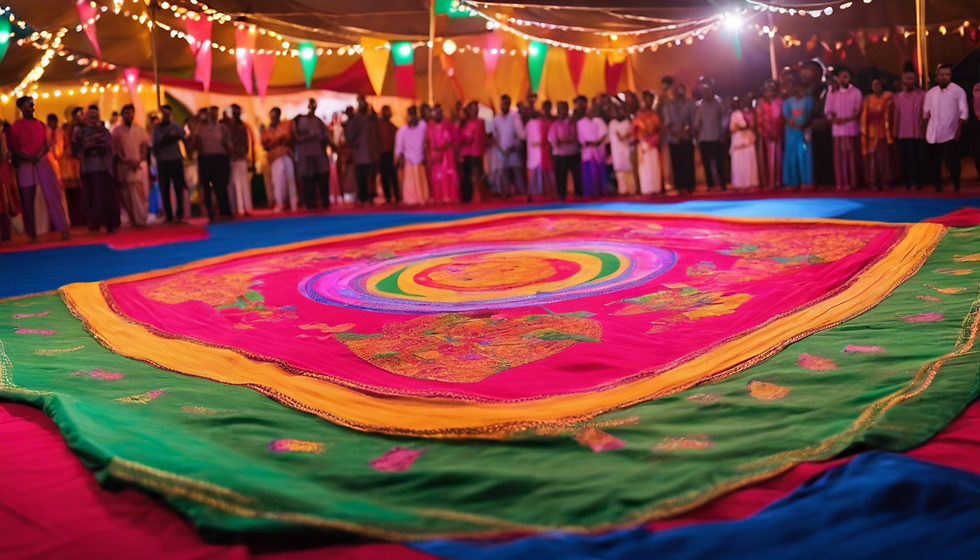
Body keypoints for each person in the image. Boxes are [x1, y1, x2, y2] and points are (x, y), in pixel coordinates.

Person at [6, 97, 70, 241]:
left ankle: (63, 229)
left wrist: (40, 155)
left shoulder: (41, 125)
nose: (29, 108)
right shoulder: (14, 127)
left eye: (31, 105)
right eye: (26, 106)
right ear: (21, 108)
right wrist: (29, 158)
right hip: (25, 166)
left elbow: (47, 145)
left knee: (53, 196)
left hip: (42, 162)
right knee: (27, 201)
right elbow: (13, 149)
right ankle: (32, 234)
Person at [72, 105, 119, 233]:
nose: (93, 118)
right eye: (91, 116)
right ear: (87, 116)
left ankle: (109, 223)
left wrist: (103, 152)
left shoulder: (104, 130)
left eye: (96, 116)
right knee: (91, 196)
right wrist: (84, 152)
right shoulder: (79, 130)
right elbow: (75, 148)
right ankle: (94, 222)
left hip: (104, 167)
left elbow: (111, 149)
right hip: (88, 168)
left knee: (106, 196)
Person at [923, 63, 968, 193]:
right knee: (935, 161)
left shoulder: (958, 91)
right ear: (937, 76)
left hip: (950, 131)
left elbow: (963, 113)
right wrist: (924, 128)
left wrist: (958, 130)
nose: (944, 77)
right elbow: (926, 113)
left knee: (952, 161)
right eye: (942, 74)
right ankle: (937, 185)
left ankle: (956, 184)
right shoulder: (931, 93)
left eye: (947, 75)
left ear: (950, 76)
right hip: (933, 132)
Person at [824, 66, 863, 190]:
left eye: (847, 76)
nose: (845, 79)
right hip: (837, 130)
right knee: (839, 156)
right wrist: (834, 119)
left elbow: (858, 110)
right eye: (843, 76)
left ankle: (853, 183)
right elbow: (828, 110)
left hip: (851, 128)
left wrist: (846, 119)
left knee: (851, 156)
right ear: (838, 78)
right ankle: (840, 182)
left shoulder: (856, 92)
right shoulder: (832, 92)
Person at [111, 104, 149, 227]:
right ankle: (133, 219)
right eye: (127, 113)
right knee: (126, 194)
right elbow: (115, 149)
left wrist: (139, 161)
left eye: (131, 112)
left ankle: (141, 218)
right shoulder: (117, 131)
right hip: (123, 166)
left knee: (138, 192)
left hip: (137, 165)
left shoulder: (139, 130)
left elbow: (144, 146)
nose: (130, 115)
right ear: (123, 115)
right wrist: (125, 161)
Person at [193, 106, 233, 221]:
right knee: (206, 186)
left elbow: (228, 144)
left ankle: (225, 211)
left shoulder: (221, 127)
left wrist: (228, 159)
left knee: (220, 185)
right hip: (204, 158)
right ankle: (210, 212)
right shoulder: (198, 128)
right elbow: (195, 146)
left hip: (220, 159)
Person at [293, 99, 333, 210]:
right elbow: (297, 138)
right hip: (305, 155)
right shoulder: (299, 120)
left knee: (322, 178)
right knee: (307, 180)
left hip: (319, 154)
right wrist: (312, 136)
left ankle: (325, 202)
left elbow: (326, 137)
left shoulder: (319, 121)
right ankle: (310, 203)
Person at [152, 105, 189, 223]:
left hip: (175, 160)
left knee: (178, 186)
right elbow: (156, 143)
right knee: (164, 188)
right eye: (164, 113)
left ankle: (180, 212)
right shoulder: (157, 128)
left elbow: (183, 135)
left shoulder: (175, 126)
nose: (166, 115)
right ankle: (168, 214)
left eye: (168, 113)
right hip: (163, 161)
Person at [894, 67, 927, 191]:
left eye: (911, 78)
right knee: (903, 160)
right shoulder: (898, 97)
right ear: (902, 80)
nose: (909, 81)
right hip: (901, 133)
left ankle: (917, 183)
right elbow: (895, 115)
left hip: (916, 133)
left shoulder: (922, 95)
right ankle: (907, 183)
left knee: (915, 159)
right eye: (906, 78)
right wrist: (894, 130)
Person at [261, 107, 298, 211]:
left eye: (275, 115)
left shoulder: (286, 125)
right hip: (275, 158)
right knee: (277, 181)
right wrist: (277, 140)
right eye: (272, 115)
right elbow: (266, 144)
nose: (273, 118)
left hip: (286, 155)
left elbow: (288, 138)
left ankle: (293, 201)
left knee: (290, 179)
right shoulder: (267, 130)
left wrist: (277, 140)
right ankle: (279, 202)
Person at [860, 78, 895, 191]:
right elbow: (864, 117)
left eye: (878, 84)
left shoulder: (889, 97)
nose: (876, 87)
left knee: (884, 157)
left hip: (885, 130)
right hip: (871, 131)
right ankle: (872, 181)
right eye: (874, 85)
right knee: (872, 158)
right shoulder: (868, 99)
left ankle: (886, 181)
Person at [694, 78, 727, 191]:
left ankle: (723, 183)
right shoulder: (699, 105)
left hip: (716, 137)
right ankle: (710, 185)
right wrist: (695, 136)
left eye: (708, 90)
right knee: (706, 163)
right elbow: (696, 123)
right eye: (704, 90)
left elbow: (724, 119)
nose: (706, 93)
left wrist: (723, 133)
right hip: (704, 139)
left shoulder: (718, 102)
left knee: (719, 162)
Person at [663, 83, 696, 194]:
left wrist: (685, 131)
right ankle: (680, 186)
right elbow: (667, 123)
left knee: (688, 162)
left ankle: (690, 186)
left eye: (683, 90)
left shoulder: (690, 103)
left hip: (686, 137)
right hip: (674, 139)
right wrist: (675, 134)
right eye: (678, 91)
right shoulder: (668, 105)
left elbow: (693, 120)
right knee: (677, 164)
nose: (680, 93)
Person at [491, 94, 526, 197]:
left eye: (506, 103)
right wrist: (501, 149)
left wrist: (515, 146)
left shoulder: (515, 116)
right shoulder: (496, 119)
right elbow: (495, 136)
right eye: (502, 103)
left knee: (517, 173)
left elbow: (521, 134)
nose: (504, 105)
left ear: (509, 104)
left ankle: (521, 196)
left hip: (514, 150)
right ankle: (506, 195)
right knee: (504, 174)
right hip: (501, 151)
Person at [783, 81, 815, 190]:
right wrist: (795, 124)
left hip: (804, 130)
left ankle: (807, 181)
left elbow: (810, 114)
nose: (798, 91)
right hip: (792, 132)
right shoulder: (787, 102)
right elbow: (787, 117)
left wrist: (804, 124)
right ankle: (792, 183)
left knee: (805, 156)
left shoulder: (808, 101)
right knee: (792, 157)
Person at [547, 100, 582, 201]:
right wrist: (560, 142)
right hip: (560, 154)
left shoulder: (574, 122)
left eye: (563, 107)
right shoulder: (555, 124)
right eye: (559, 108)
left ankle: (578, 194)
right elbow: (552, 139)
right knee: (561, 176)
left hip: (573, 152)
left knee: (577, 175)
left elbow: (577, 135)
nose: (561, 110)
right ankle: (561, 195)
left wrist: (567, 139)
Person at [395, 106, 430, 205]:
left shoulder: (423, 126)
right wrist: (400, 156)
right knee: (410, 182)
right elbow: (399, 146)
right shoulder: (402, 130)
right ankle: (410, 198)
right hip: (409, 159)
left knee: (420, 180)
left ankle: (422, 197)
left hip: (420, 158)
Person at [424, 105, 459, 204]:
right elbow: (427, 140)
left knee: (448, 175)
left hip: (446, 155)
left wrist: (442, 147)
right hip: (434, 155)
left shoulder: (447, 123)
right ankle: (438, 197)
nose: (437, 115)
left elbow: (451, 138)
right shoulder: (430, 125)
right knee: (436, 176)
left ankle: (450, 196)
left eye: (439, 112)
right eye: (435, 113)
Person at [345, 96, 374, 205]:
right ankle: (364, 197)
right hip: (362, 152)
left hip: (363, 152)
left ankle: (365, 197)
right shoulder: (360, 119)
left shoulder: (364, 118)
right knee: (362, 176)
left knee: (364, 176)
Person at [633, 90, 663, 195]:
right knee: (645, 167)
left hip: (654, 143)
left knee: (654, 166)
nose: (647, 101)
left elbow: (659, 129)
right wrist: (642, 138)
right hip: (643, 144)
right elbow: (635, 130)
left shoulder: (656, 114)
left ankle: (656, 188)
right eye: (645, 98)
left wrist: (655, 139)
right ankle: (646, 189)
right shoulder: (638, 115)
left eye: (650, 99)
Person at [225, 104, 254, 216]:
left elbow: (246, 145)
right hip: (233, 159)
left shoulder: (243, 127)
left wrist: (241, 153)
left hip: (241, 159)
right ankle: (237, 207)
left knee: (243, 183)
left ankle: (245, 207)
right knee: (234, 183)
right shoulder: (229, 127)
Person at [756, 79, 784, 190]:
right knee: (767, 158)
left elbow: (781, 118)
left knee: (778, 157)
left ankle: (778, 181)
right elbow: (759, 119)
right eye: (767, 90)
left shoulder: (779, 102)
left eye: (771, 90)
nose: (769, 93)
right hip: (766, 135)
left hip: (777, 134)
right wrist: (766, 132)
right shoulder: (761, 103)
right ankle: (768, 182)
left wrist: (777, 131)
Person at [59, 106, 85, 225]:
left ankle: (82, 218)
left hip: (81, 161)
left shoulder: (84, 126)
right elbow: (69, 145)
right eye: (78, 115)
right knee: (75, 193)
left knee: (81, 192)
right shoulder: (70, 127)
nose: (80, 117)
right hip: (72, 163)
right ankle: (77, 219)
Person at [458, 101, 488, 203]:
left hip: (477, 152)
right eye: (472, 108)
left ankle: (479, 196)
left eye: (476, 108)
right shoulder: (464, 122)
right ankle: (468, 197)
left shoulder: (481, 122)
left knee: (478, 174)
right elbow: (459, 137)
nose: (474, 110)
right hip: (466, 152)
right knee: (467, 175)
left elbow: (483, 136)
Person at [577, 102, 608, 197]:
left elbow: (604, 133)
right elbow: (580, 136)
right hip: (587, 151)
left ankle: (601, 191)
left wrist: (597, 142)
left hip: (598, 151)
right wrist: (588, 143)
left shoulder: (598, 121)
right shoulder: (580, 123)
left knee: (599, 172)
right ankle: (588, 192)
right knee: (588, 173)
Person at [729, 97, 759, 190]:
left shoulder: (749, 113)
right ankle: (739, 184)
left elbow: (751, 125)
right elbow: (732, 128)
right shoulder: (734, 114)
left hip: (747, 140)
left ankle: (751, 183)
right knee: (738, 164)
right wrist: (740, 127)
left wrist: (745, 126)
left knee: (749, 162)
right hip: (737, 141)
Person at [609, 104, 636, 195]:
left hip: (626, 149)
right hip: (616, 151)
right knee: (619, 171)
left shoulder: (627, 123)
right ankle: (622, 190)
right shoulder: (612, 123)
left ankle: (631, 189)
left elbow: (631, 137)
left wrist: (624, 137)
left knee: (628, 169)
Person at [0, 123, 21, 242]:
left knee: (3, 204)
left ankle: (6, 234)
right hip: (4, 173)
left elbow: (3, 155)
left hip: (3, 172)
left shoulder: (2, 136)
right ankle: (6, 234)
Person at [378, 105, 399, 204]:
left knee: (393, 175)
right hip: (382, 154)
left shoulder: (391, 126)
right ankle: (388, 197)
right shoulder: (379, 125)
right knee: (385, 176)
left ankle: (397, 196)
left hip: (391, 153)